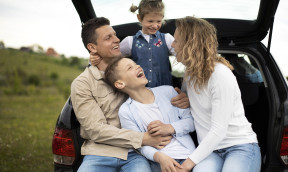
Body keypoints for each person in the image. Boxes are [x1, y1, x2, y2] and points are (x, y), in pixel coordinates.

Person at [71, 17, 173, 172]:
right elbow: (95, 130)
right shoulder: (82, 84)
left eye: (115, 35)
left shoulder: (133, 69)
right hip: (99, 153)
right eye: (108, 37)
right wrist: (143, 138)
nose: (117, 40)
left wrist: (180, 94)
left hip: (137, 153)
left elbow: (157, 90)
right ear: (92, 47)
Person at [171, 16, 262, 172]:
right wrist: (185, 98)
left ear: (190, 45)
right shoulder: (190, 74)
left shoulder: (220, 75)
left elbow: (218, 130)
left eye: (176, 41)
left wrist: (187, 164)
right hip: (210, 151)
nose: (172, 45)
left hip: (239, 146)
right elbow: (192, 105)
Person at [103, 57, 196, 172]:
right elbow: (139, 144)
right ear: (120, 84)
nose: (138, 66)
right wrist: (160, 158)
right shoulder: (126, 111)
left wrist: (169, 128)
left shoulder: (168, 91)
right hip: (159, 162)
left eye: (136, 64)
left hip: (188, 157)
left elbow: (191, 121)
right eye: (130, 67)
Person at [91, 0, 175, 88]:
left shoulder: (167, 38)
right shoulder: (130, 41)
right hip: (140, 91)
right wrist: (96, 59)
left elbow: (183, 56)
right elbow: (112, 57)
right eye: (150, 21)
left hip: (165, 89)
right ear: (139, 18)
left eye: (158, 21)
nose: (155, 25)